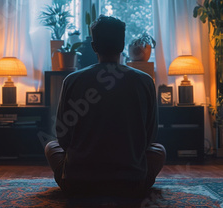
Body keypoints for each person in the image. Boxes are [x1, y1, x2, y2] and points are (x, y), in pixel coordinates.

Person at [44, 15, 166, 197]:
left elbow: (63, 137)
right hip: (132, 183)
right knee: (159, 150)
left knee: (50, 146)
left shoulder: (72, 80)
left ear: (94, 47)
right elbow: (150, 137)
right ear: (123, 45)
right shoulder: (145, 81)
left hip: (77, 183)